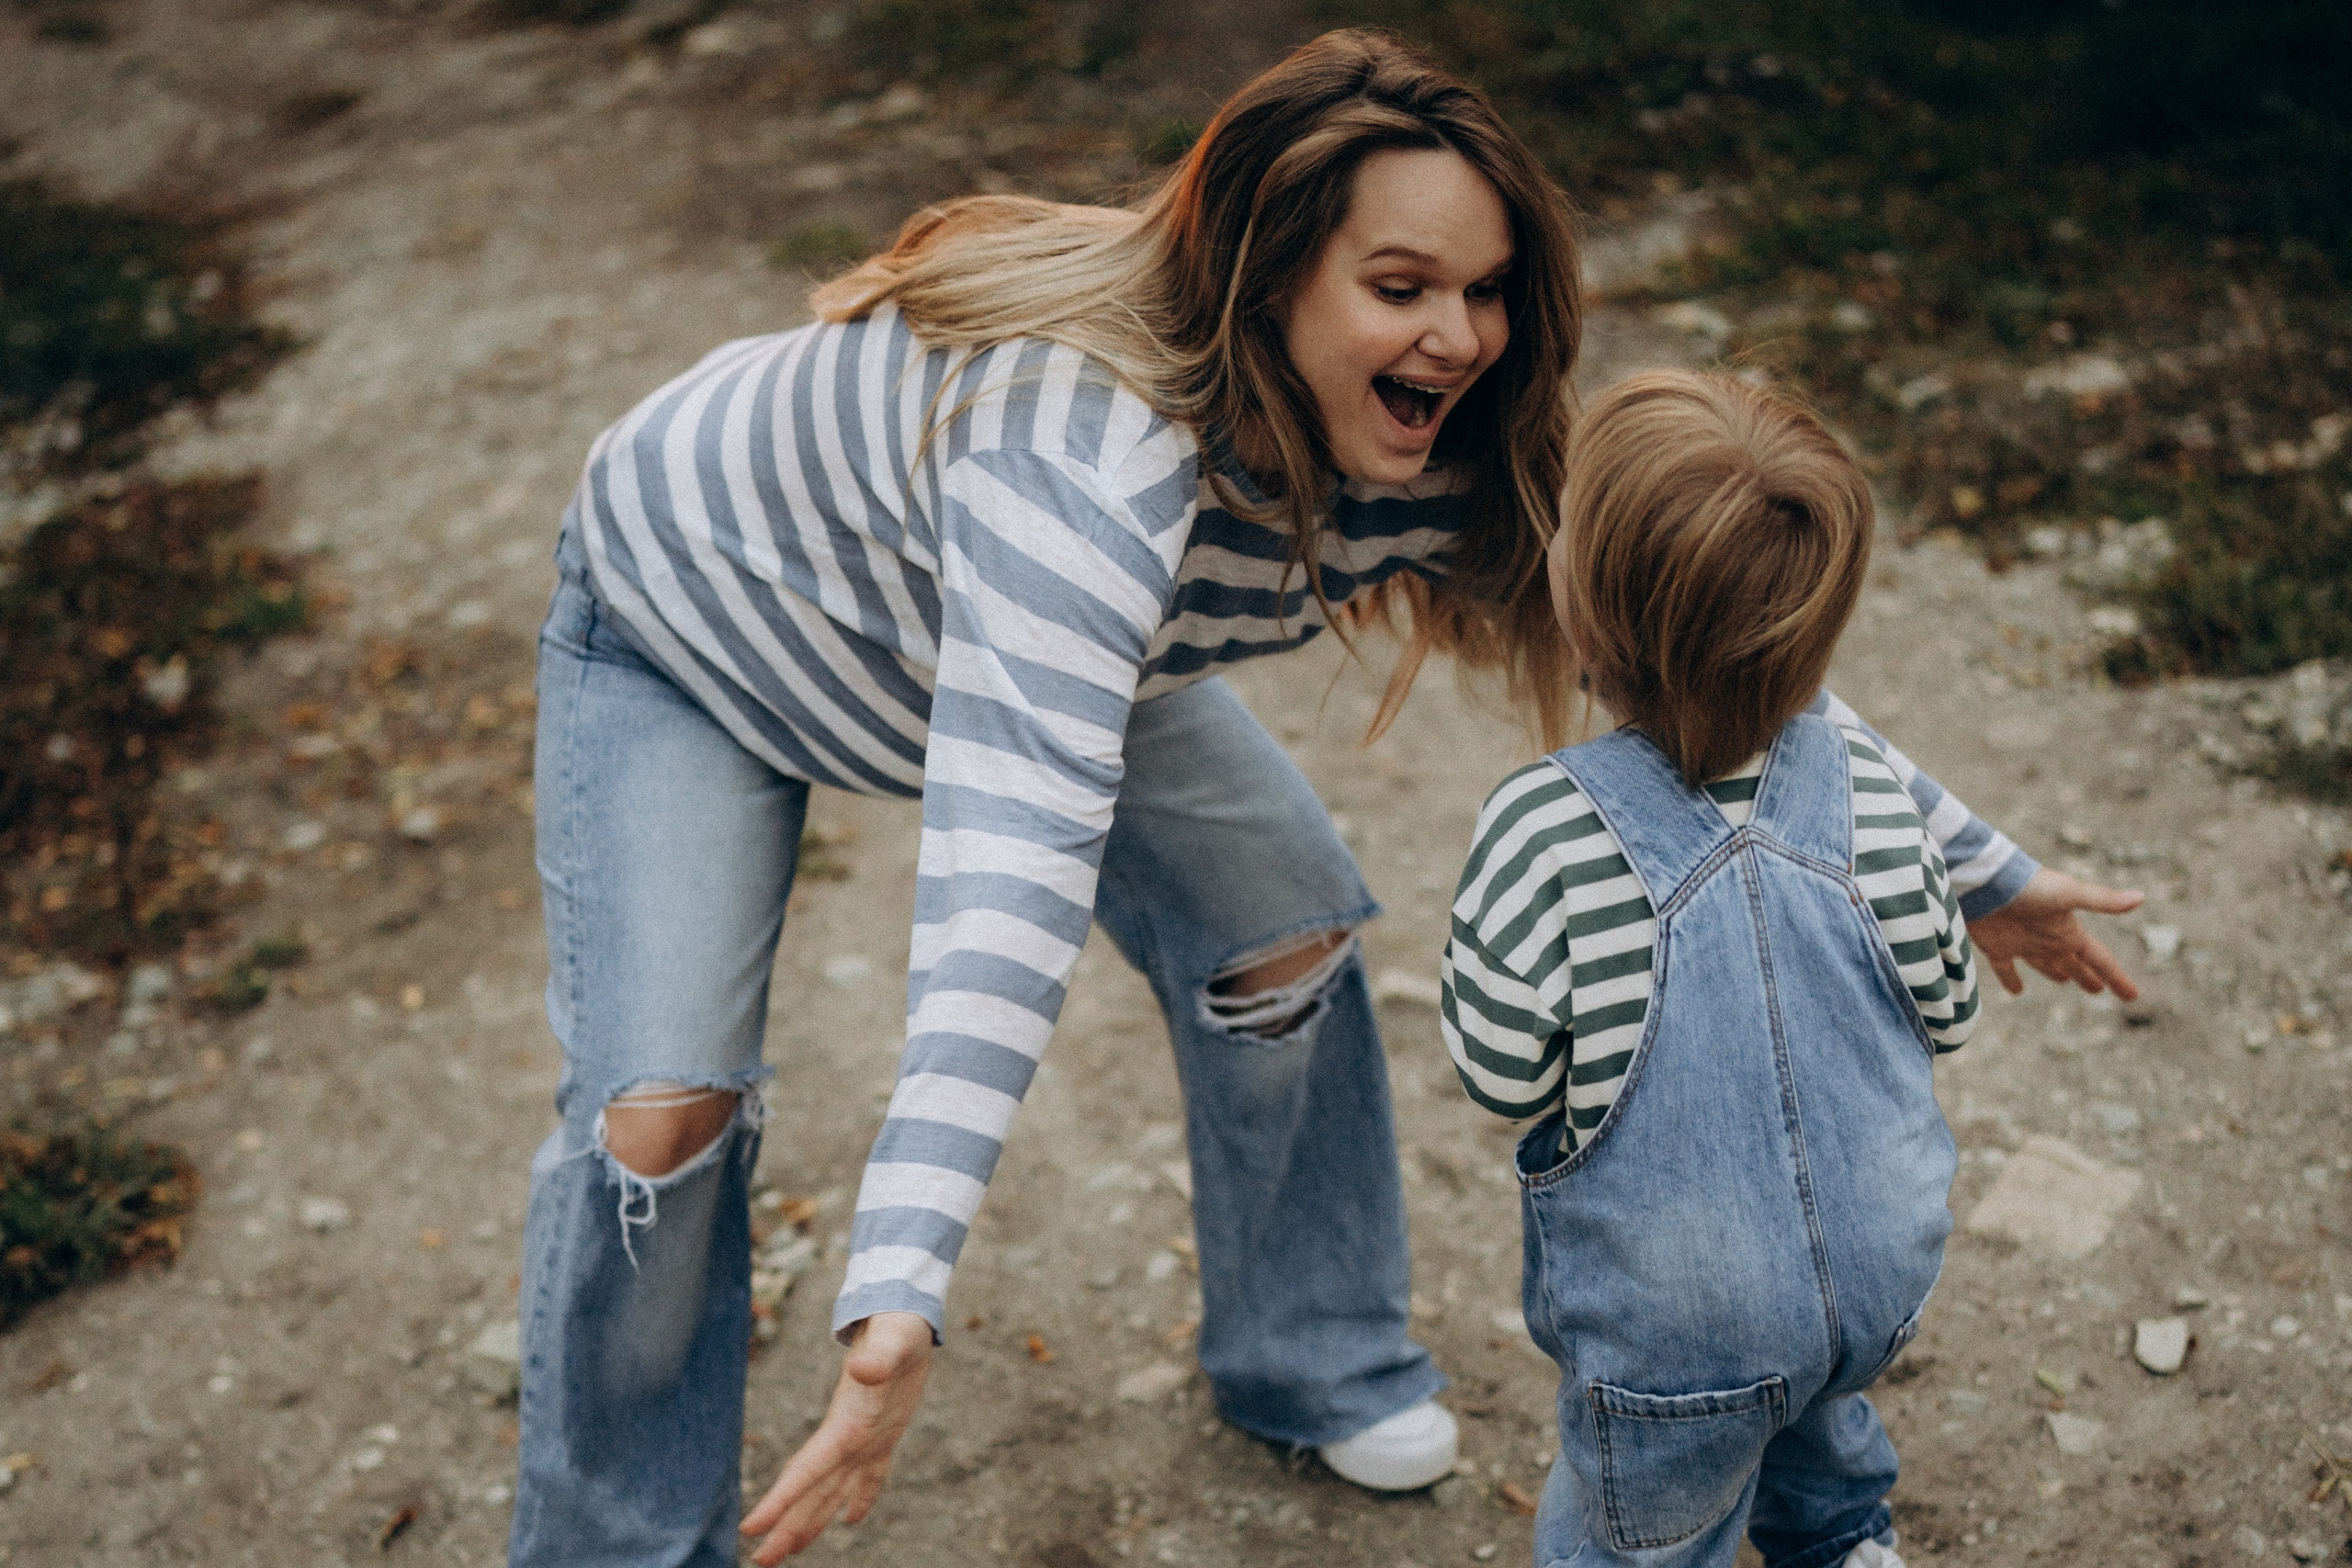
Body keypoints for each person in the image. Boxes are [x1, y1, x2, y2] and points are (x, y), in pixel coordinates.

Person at [514, 30, 2136, 1568]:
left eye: (1488, 290)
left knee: (1280, 938)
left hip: (1040, 657)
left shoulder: (1455, 444)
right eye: (1401, 284)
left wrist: (1980, 867)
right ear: (1270, 274)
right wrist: (899, 1290)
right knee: (664, 1116)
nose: (1460, 335)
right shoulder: (1086, 460)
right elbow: (1004, 884)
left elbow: (1712, 644)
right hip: (695, 632)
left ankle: (1311, 1359)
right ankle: (620, 1542)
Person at [1441, 369, 2143, 1568]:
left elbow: (1504, 1077)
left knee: (1643, 1526)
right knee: (1814, 1393)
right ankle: (1846, 1541)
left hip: (1678, 1348)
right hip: (1875, 1295)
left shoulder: (1542, 829)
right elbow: (1951, 1009)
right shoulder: (1874, 793)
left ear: (1584, 610)